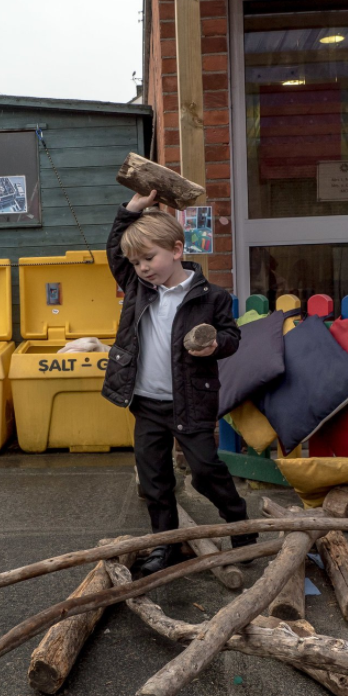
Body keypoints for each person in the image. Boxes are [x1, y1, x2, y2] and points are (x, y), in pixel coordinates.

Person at [102, 190, 254, 575]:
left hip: (191, 400)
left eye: (149, 258)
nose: (142, 268)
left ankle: (241, 527)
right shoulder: (138, 287)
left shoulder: (212, 297)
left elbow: (232, 337)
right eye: (136, 263)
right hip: (147, 401)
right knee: (153, 478)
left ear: (176, 249)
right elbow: (116, 252)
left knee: (205, 470)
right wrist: (133, 209)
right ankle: (164, 546)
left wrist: (216, 345)